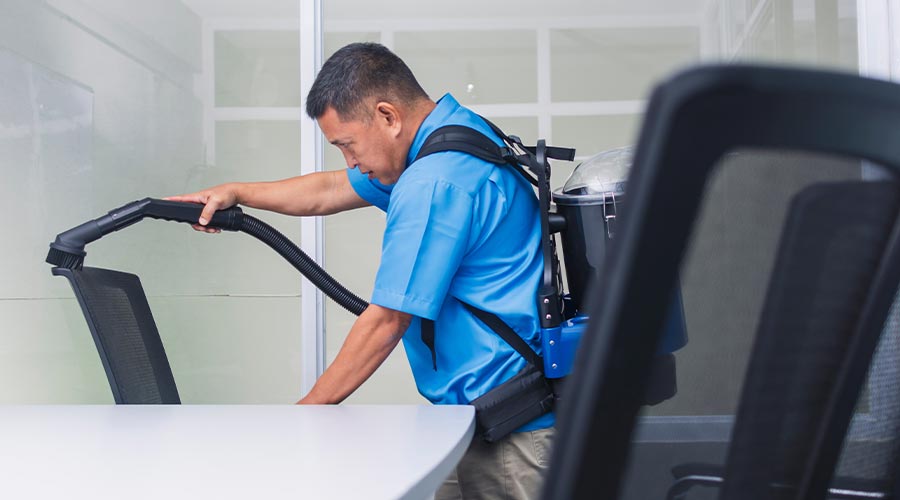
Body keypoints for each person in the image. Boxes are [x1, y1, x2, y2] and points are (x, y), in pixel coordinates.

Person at [167, 42, 554, 500]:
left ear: (388, 116)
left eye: (347, 145)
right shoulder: (453, 135)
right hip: (473, 419)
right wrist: (237, 192)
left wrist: (303, 415)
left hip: (512, 434)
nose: (349, 162)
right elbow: (328, 190)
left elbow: (387, 320)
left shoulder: (435, 181)